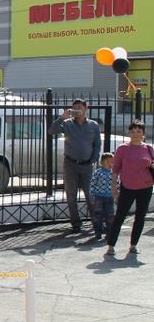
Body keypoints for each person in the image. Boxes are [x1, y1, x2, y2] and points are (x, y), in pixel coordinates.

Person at [48, 98, 101, 232]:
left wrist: (93, 160)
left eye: (80, 106)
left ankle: (96, 222)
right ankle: (76, 224)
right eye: (75, 107)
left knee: (90, 194)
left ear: (86, 108)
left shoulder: (93, 125)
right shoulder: (67, 124)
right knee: (71, 194)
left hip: (87, 165)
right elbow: (51, 131)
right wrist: (62, 118)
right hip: (70, 164)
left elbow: (97, 144)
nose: (77, 109)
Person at [106, 120, 154, 256]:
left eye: (138, 131)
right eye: (132, 131)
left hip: (146, 186)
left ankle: (133, 245)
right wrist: (114, 187)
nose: (135, 134)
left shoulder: (149, 149)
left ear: (143, 134)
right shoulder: (122, 148)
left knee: (140, 216)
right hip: (127, 187)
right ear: (129, 133)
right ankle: (111, 245)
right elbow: (115, 169)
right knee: (120, 216)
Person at [89, 152, 115, 242]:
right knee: (98, 215)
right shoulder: (97, 173)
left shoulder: (114, 173)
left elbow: (117, 185)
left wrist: (118, 196)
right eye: (107, 162)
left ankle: (109, 232)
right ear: (102, 162)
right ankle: (98, 232)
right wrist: (91, 195)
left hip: (109, 198)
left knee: (110, 216)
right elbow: (92, 184)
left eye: (112, 162)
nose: (110, 164)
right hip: (99, 197)